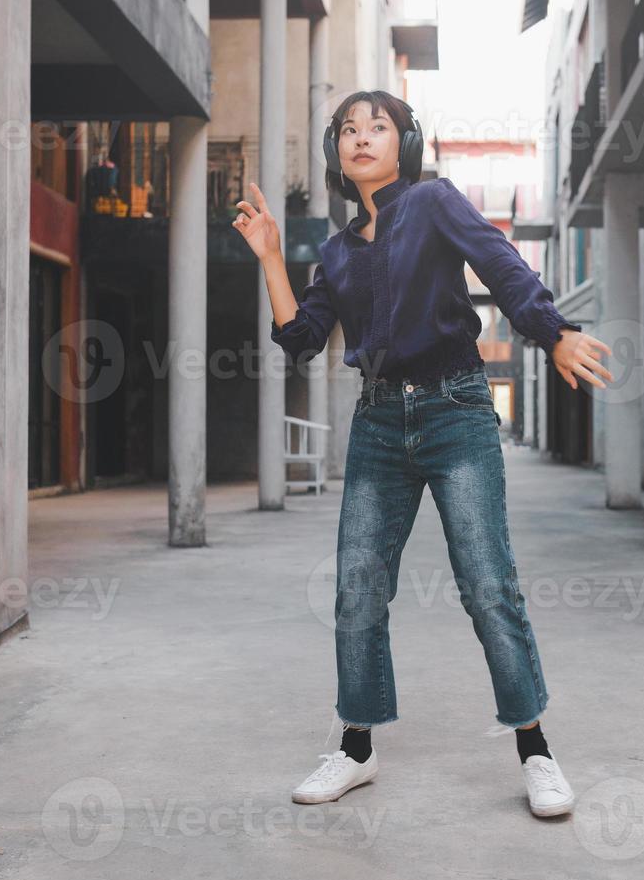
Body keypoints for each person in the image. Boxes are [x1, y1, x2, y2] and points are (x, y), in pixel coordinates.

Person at [230, 90, 613, 818]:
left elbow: (501, 266)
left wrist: (552, 329)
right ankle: (355, 749)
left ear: (404, 142)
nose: (362, 137)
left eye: (378, 126)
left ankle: (536, 750)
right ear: (336, 151)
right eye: (348, 129)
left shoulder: (434, 201)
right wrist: (273, 258)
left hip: (455, 408)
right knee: (358, 591)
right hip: (378, 423)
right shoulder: (338, 253)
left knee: (488, 584)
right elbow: (302, 338)